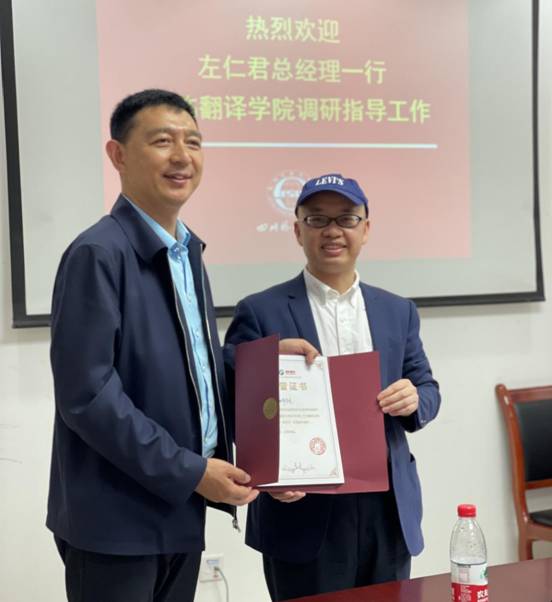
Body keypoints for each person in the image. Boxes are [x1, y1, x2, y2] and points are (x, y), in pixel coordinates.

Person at [46, 89, 259, 602]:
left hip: (176, 508)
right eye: (163, 141)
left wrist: (264, 368)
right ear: (118, 155)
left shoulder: (186, 252)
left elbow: (190, 368)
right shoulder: (98, 253)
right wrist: (191, 471)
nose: (182, 156)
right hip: (116, 521)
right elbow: (88, 396)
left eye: (194, 142)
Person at [224, 173, 441, 601]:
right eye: (318, 219)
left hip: (386, 507)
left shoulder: (397, 310)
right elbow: (233, 399)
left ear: (366, 228)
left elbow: (427, 387)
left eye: (346, 218)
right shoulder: (260, 310)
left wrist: (415, 398)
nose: (332, 231)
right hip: (301, 508)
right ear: (297, 230)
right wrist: (267, 476)